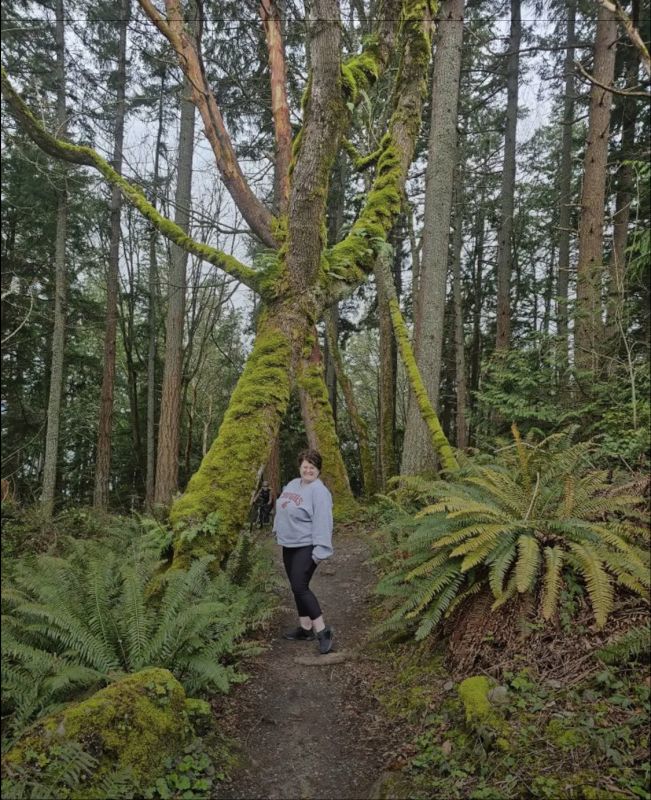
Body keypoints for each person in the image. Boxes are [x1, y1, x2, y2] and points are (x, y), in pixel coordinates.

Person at [273, 448, 334, 654]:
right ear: (300, 466)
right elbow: (282, 506)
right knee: (296, 586)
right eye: (305, 466)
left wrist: (320, 551)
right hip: (289, 545)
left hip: (307, 545)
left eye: (313, 467)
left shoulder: (319, 491)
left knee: (300, 587)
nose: (308, 470)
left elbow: (323, 521)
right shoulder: (292, 484)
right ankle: (305, 628)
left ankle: (323, 631)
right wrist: (277, 530)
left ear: (318, 470)